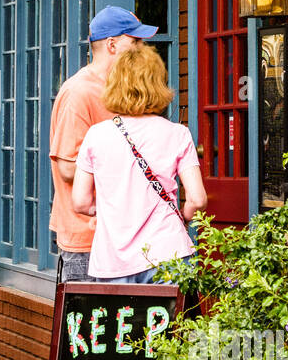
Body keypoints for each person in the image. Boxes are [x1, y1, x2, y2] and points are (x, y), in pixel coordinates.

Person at [71, 46, 207, 284]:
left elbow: (80, 201)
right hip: (169, 253)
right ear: (158, 84)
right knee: (177, 322)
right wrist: (182, 217)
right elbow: (197, 199)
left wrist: (103, 210)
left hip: (113, 261)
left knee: (121, 321)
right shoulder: (177, 134)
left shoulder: (96, 135)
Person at [49, 7, 158, 282]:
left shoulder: (123, 91)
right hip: (87, 238)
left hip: (123, 236)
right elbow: (67, 168)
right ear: (112, 45)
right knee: (87, 325)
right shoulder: (80, 92)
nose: (142, 49)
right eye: (135, 42)